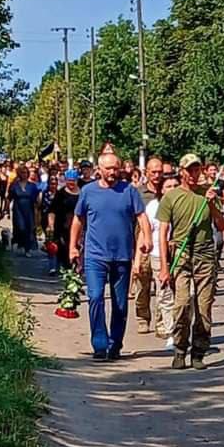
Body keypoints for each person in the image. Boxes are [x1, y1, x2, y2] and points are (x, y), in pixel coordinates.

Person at [70, 152, 153, 361]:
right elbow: (78, 220)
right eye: (108, 168)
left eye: (116, 168)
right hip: (94, 255)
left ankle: (115, 344)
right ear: (100, 169)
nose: (112, 172)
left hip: (122, 255)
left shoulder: (129, 191)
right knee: (96, 297)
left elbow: (141, 217)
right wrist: (73, 247)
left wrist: (146, 238)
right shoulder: (88, 191)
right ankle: (99, 344)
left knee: (120, 303)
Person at [156, 153, 224, 369]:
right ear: (182, 172)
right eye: (190, 170)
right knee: (183, 304)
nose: (194, 174)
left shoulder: (208, 193)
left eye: (197, 170)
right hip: (181, 252)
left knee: (204, 307)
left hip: (204, 254)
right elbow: (163, 232)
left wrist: (213, 203)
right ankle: (179, 348)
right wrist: (165, 267)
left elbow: (221, 225)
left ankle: (199, 351)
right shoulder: (172, 196)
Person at [137, 161, 180, 345]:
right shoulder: (152, 205)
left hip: (178, 253)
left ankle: (165, 326)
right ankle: (144, 318)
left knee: (168, 293)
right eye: (168, 186)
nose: (172, 189)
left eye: (175, 186)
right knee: (147, 288)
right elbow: (144, 231)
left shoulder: (183, 203)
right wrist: (137, 259)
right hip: (154, 252)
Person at [133, 157, 167, 335]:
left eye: (160, 172)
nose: (157, 175)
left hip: (162, 247)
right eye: (153, 172)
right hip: (142, 246)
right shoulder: (138, 193)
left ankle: (162, 322)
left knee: (163, 286)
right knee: (142, 285)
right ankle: (143, 317)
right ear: (146, 173)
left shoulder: (167, 192)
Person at [47, 169, 80, 274]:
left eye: (73, 180)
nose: (71, 183)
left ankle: (75, 268)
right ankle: (63, 268)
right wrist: (51, 225)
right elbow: (52, 210)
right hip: (62, 226)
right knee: (62, 248)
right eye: (69, 180)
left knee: (77, 246)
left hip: (78, 225)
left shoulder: (83, 193)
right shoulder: (60, 194)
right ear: (66, 180)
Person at [8, 165, 41, 255]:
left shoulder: (32, 186)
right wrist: (6, 210)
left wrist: (38, 209)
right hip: (18, 209)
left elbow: (37, 200)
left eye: (26, 173)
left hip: (29, 210)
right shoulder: (14, 185)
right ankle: (17, 242)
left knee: (28, 229)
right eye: (22, 173)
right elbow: (9, 198)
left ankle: (27, 249)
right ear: (19, 174)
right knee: (21, 228)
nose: (24, 175)